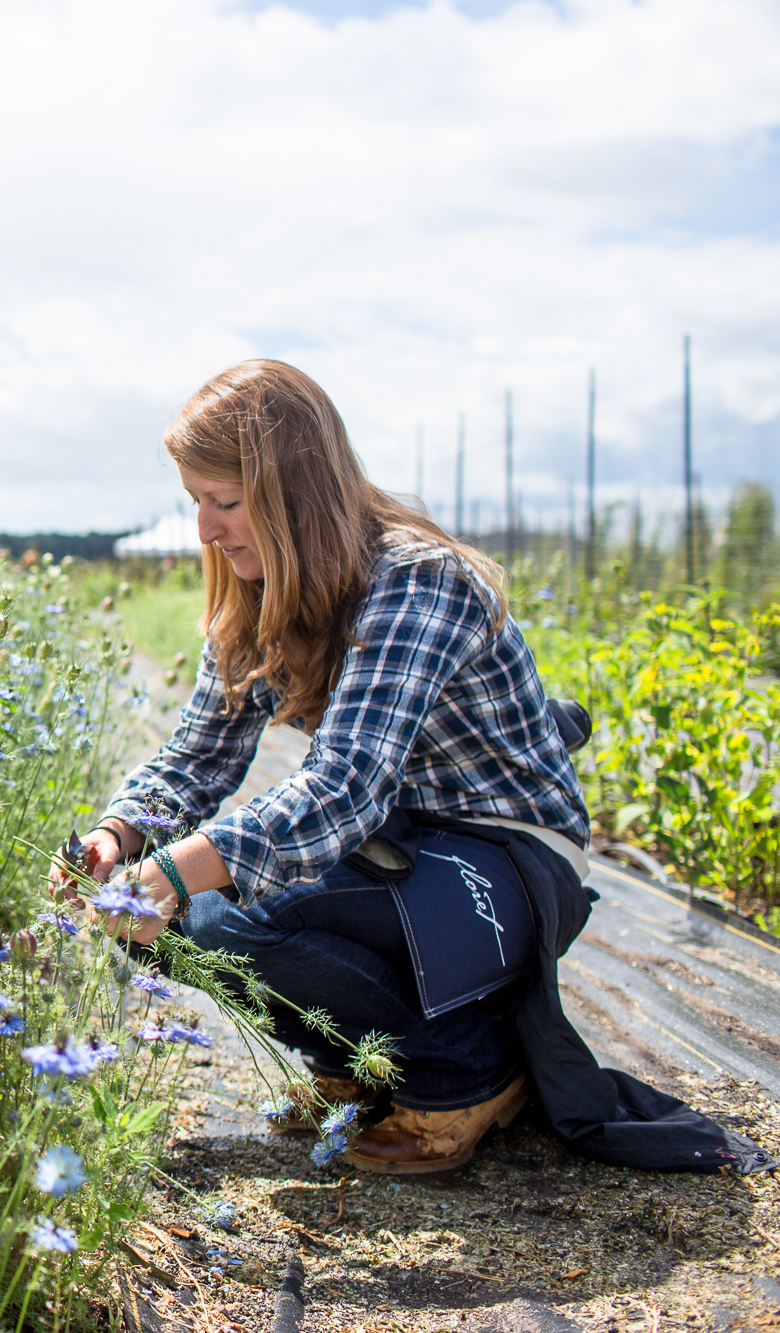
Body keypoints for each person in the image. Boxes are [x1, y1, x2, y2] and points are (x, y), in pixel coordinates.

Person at [62, 360, 767, 1177]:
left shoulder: (418, 579)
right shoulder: (259, 594)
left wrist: (180, 871)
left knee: (230, 913)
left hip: (507, 854)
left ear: (294, 491)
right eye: (195, 501)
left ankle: (467, 1069)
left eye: (225, 502)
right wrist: (122, 833)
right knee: (157, 913)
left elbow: (344, 788)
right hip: (398, 846)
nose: (205, 531)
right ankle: (366, 1068)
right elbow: (198, 754)